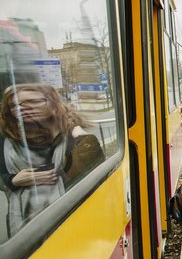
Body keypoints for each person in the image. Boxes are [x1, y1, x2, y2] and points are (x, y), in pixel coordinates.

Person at [0, 83, 105, 236]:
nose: (22, 108)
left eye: (33, 101)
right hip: (22, 226)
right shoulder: (6, 139)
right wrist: (12, 181)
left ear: (54, 105)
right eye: (15, 105)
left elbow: (92, 187)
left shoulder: (77, 139)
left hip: (71, 222)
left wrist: (82, 146)